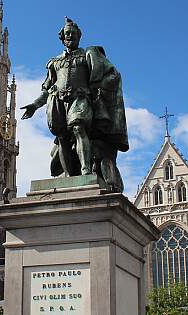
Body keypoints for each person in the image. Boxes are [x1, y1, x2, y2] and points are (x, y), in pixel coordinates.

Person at [21, 17, 129, 191]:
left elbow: (112, 73)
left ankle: (86, 170)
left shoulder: (88, 55)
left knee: (78, 128)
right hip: (57, 101)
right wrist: (35, 105)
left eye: (73, 34)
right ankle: (69, 174)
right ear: (62, 38)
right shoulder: (54, 62)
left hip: (80, 98)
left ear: (79, 37)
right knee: (62, 137)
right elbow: (47, 88)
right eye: (67, 34)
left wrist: (100, 87)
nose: (70, 36)